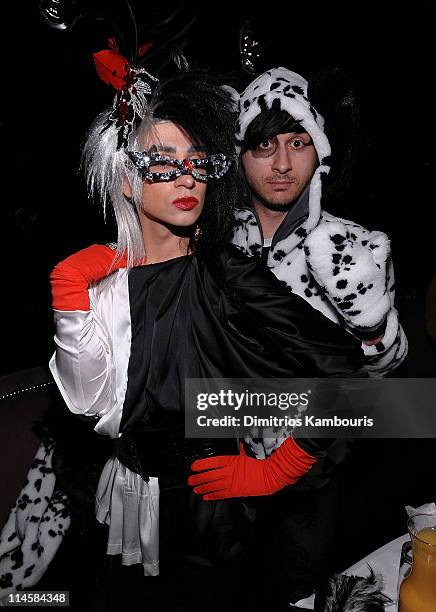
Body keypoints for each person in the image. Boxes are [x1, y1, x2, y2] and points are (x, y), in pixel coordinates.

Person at [0, 58, 364, 610]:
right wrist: (71, 295)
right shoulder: (100, 279)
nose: (187, 176)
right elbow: (87, 405)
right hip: (112, 502)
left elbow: (354, 379)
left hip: (207, 517)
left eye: (197, 163)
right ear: (126, 176)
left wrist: (276, 468)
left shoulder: (227, 275)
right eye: (163, 163)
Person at [209, 66, 408, 608]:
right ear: (239, 155)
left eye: (298, 142)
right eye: (263, 144)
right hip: (224, 464)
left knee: (306, 592)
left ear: (319, 150)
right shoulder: (211, 245)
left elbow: (385, 374)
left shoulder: (356, 247)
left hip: (314, 474)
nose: (280, 163)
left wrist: (370, 325)